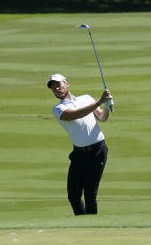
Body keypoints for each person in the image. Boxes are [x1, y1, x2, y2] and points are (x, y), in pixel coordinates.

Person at [47, 73, 112, 215]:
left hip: (98, 151)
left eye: (58, 84)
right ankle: (82, 223)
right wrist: (100, 101)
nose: (56, 88)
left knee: (90, 194)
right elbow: (75, 115)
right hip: (78, 154)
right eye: (53, 87)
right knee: (73, 196)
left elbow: (102, 117)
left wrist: (107, 106)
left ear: (67, 84)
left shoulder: (86, 98)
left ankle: (91, 227)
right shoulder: (58, 109)